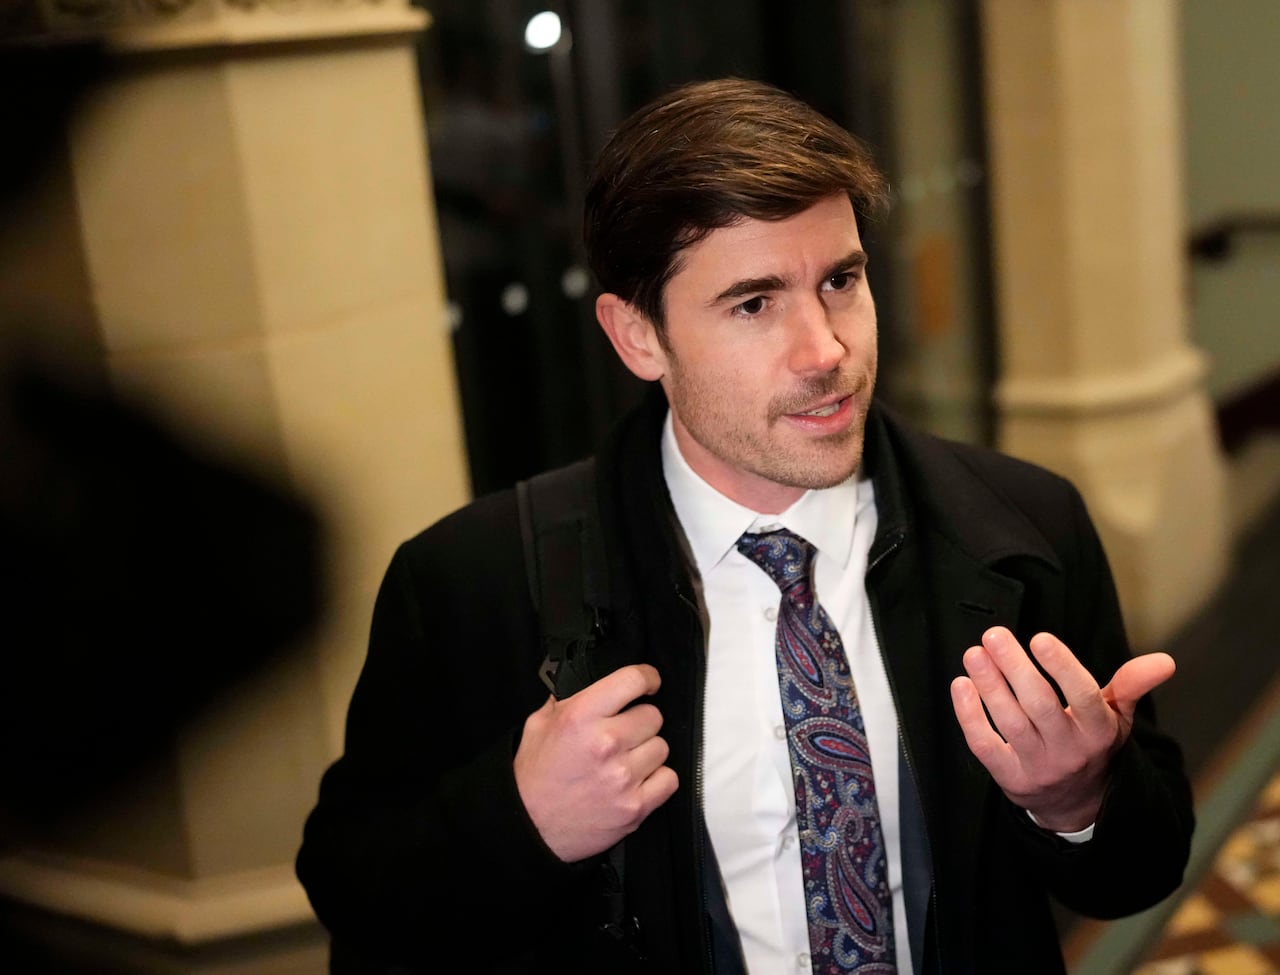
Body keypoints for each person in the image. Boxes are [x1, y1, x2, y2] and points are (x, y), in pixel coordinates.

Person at [295, 77, 1194, 974]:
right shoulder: (471, 581)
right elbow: (357, 892)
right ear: (639, 336)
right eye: (754, 303)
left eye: (840, 280)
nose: (826, 352)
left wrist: (1080, 798)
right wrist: (519, 821)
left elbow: (1138, 873)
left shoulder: (1022, 524)